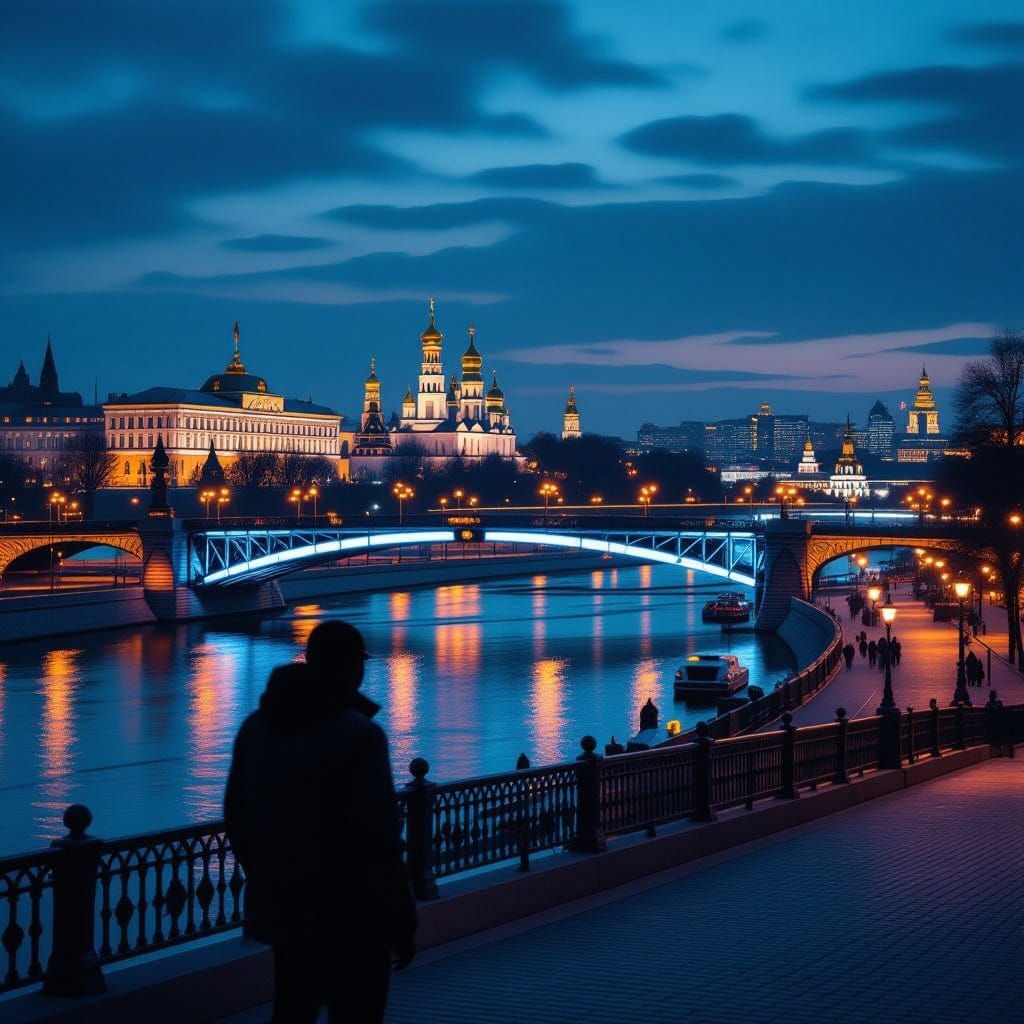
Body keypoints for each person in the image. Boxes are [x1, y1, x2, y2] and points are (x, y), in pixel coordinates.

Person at [225, 621, 416, 1023]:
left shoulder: (255, 728)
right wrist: (401, 916)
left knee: (292, 1010)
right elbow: (378, 837)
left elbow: (237, 818)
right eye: (358, 663)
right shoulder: (359, 734)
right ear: (351, 668)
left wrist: (266, 876)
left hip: (284, 912)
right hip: (354, 916)